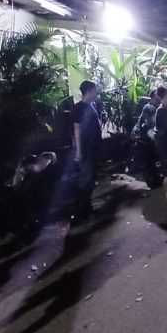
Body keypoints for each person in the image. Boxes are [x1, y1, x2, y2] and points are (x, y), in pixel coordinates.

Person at [71, 80, 102, 225]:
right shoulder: (78, 108)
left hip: (93, 149)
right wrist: (79, 151)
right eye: (94, 90)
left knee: (90, 180)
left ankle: (87, 209)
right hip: (86, 150)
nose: (96, 93)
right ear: (89, 91)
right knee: (85, 181)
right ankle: (79, 213)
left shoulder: (91, 107)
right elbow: (76, 130)